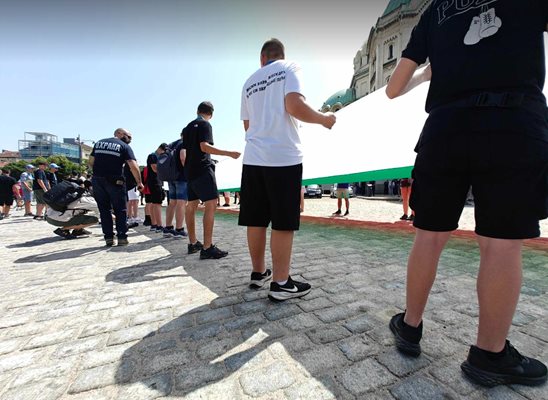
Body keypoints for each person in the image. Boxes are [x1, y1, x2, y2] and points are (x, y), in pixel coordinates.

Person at [385, 1, 548, 387]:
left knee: (429, 235)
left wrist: (427, 74)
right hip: (512, 119)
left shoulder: (435, 9)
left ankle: (409, 327)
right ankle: (489, 355)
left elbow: (392, 88)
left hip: (446, 127)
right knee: (501, 244)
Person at [239, 38, 336, 301]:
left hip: (253, 157)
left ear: (262, 59)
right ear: (281, 55)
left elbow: (248, 126)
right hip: (282, 156)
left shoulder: (249, 82)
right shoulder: (289, 67)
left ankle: (259, 273)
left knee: (256, 219)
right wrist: (324, 119)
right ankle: (281, 283)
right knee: (283, 220)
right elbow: (294, 105)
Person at [182, 101, 241, 259]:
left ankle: (193, 242)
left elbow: (184, 152)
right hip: (202, 169)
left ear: (197, 110)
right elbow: (204, 147)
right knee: (211, 204)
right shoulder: (205, 124)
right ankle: (207, 247)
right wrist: (229, 153)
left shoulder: (187, 128)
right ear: (211, 114)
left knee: (191, 205)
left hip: (190, 171)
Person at [89, 128, 143, 246]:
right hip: (115, 180)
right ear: (119, 134)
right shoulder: (123, 146)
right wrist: (139, 182)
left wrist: (98, 172)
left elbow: (91, 161)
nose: (129, 139)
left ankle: (108, 237)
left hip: (98, 179)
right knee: (120, 209)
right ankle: (122, 237)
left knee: (104, 210)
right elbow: (133, 166)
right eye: (128, 136)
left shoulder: (99, 143)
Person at [163, 136, 188, 239]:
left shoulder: (171, 144)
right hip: (181, 176)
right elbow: (183, 157)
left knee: (172, 202)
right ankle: (179, 229)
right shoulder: (185, 142)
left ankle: (168, 228)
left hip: (171, 176)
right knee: (181, 203)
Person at [145, 144, 167, 233]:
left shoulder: (153, 155)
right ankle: (159, 225)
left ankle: (154, 224)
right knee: (157, 203)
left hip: (154, 181)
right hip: (155, 181)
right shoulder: (153, 156)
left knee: (154, 203)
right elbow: (154, 168)